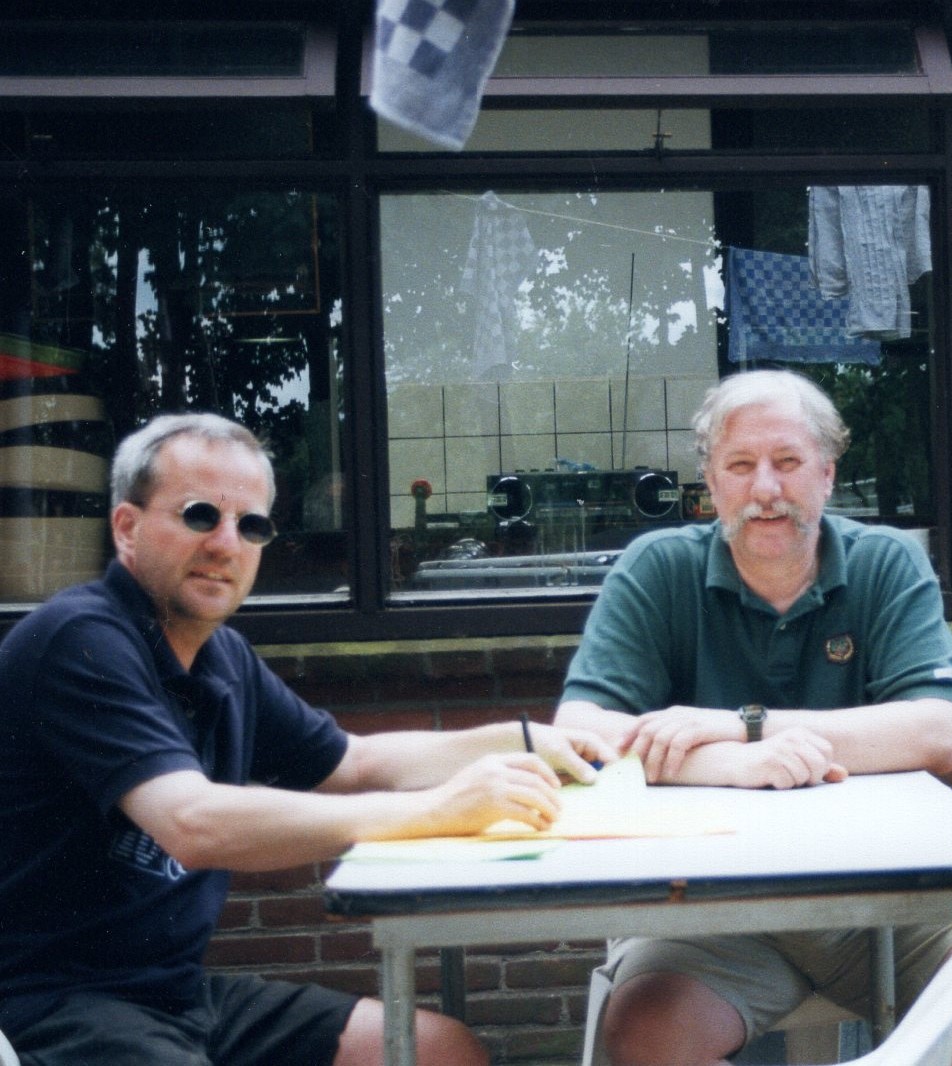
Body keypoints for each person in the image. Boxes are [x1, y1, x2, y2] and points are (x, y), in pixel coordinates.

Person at [0, 413, 616, 1066]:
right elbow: (192, 823)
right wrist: (438, 810)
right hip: (49, 1004)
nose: (226, 544)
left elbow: (354, 760)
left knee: (440, 1051)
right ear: (127, 527)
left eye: (252, 525)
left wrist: (520, 740)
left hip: (175, 995)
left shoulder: (221, 658)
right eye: (199, 515)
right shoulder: (80, 640)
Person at [555, 369, 952, 1066]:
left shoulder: (886, 563)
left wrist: (746, 724)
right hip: (704, 912)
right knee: (648, 1036)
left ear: (827, 475)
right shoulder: (658, 569)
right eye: (741, 465)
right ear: (712, 481)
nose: (765, 488)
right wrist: (733, 764)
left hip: (880, 899)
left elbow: (935, 732)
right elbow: (577, 733)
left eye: (788, 461)